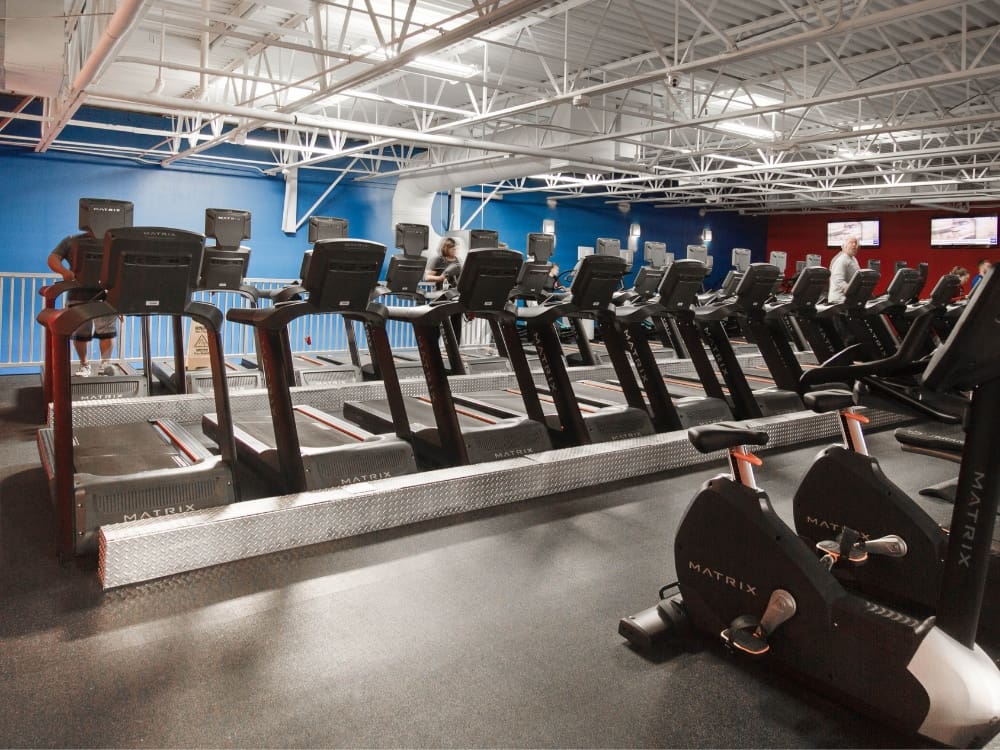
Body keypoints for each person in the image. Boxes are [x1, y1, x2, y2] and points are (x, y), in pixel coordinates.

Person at [47, 233, 117, 377]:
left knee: (107, 331)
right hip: (77, 294)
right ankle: (84, 365)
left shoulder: (113, 243)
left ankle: (105, 364)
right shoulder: (72, 240)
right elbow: (52, 258)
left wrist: (119, 299)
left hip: (105, 295)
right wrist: (65, 272)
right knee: (80, 333)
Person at [425, 236, 464, 344]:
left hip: (454, 295)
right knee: (437, 323)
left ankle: (455, 347)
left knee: (456, 322)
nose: (455, 250)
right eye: (453, 248)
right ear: (446, 248)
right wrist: (440, 278)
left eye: (456, 248)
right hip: (440, 296)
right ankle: (433, 347)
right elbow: (427, 277)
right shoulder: (438, 260)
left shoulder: (458, 261)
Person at [827, 235, 860, 304]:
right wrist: (851, 290)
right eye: (851, 242)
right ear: (844, 246)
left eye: (856, 243)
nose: (854, 245)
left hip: (848, 299)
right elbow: (838, 280)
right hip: (838, 300)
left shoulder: (853, 259)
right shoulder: (841, 259)